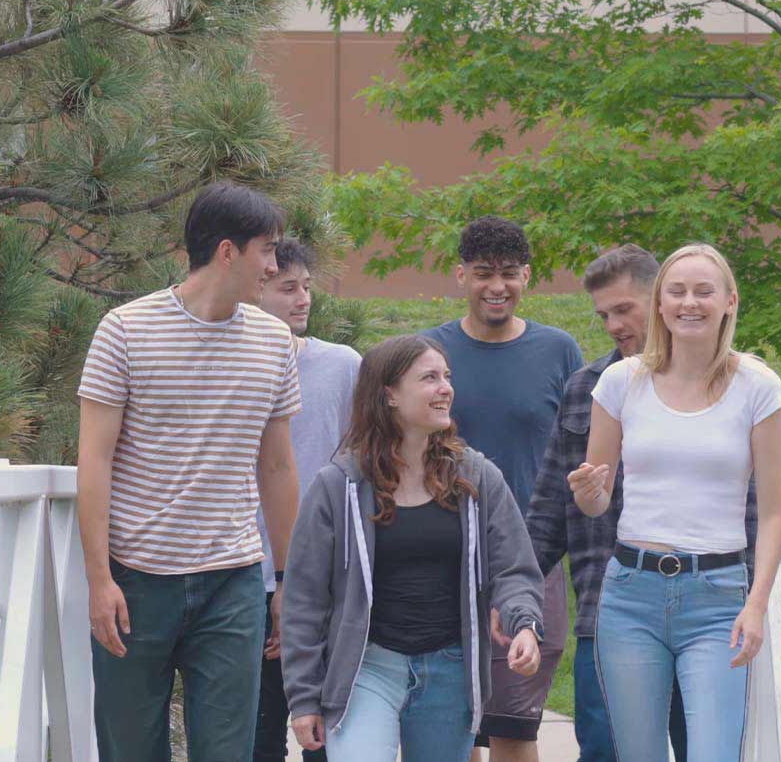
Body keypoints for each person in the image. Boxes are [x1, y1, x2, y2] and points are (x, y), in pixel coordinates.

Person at [76, 182, 303, 762]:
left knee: (228, 752)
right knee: (131, 750)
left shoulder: (276, 343)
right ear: (227, 252)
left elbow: (276, 467)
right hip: (136, 580)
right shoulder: (124, 329)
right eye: (268, 250)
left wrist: (287, 578)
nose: (275, 265)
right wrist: (99, 579)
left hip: (233, 580)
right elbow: (94, 461)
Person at [525, 245, 755, 762]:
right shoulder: (588, 387)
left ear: (660, 298)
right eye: (602, 314)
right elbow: (547, 511)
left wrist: (751, 599)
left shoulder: (740, 385)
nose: (612, 324)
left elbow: (756, 508)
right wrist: (508, 590)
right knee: (608, 753)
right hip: (609, 610)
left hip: (712, 605)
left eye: (622, 309)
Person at [280, 334, 547, 762]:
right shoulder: (337, 486)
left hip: (449, 669)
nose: (446, 388)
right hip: (367, 667)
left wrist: (525, 624)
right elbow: (305, 598)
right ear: (388, 394)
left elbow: (514, 567)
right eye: (429, 378)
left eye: (446, 376)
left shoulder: (476, 477)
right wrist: (304, 696)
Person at [421, 216, 583, 762]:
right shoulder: (428, 354)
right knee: (449, 726)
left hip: (531, 558)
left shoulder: (558, 351)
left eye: (510, 274)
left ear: (527, 277)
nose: (498, 286)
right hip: (442, 554)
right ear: (460, 274)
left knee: (515, 728)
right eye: (484, 273)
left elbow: (579, 454)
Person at [251, 239, 361, 762]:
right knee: (257, 732)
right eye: (286, 287)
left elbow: (358, 467)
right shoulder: (231, 366)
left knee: (326, 733)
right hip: (244, 570)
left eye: (307, 288)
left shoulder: (343, 366)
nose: (302, 299)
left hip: (325, 575)